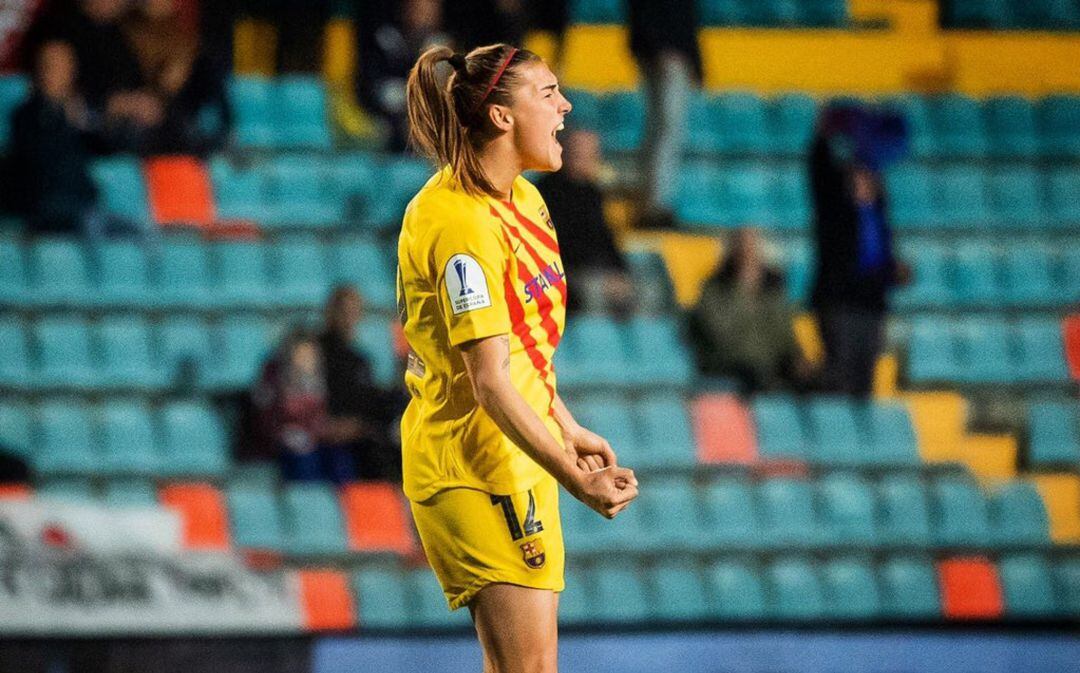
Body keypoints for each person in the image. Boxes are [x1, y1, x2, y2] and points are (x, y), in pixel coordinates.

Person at [399, 44, 638, 672]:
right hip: (472, 466)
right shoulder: (458, 223)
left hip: (520, 455)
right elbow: (489, 382)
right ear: (502, 116)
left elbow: (524, 347)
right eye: (549, 93)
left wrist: (566, 424)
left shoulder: (525, 199)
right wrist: (575, 478)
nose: (566, 106)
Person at [810, 103, 909, 397]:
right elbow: (818, 168)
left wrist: (894, 271)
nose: (864, 178)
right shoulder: (834, 203)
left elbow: (877, 254)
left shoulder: (878, 208)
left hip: (872, 305)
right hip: (839, 304)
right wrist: (823, 133)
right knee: (839, 380)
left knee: (864, 386)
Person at [7, 39, 141, 237]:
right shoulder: (26, 115)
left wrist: (109, 120)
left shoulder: (80, 111)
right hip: (49, 207)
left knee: (139, 233)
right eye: (48, 65)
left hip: (84, 205)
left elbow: (108, 147)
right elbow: (40, 160)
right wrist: (65, 120)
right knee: (92, 228)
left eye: (63, 65)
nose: (54, 72)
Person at [689, 228, 815, 394]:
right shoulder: (714, 289)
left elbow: (785, 334)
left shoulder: (772, 291)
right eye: (743, 249)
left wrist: (797, 357)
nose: (749, 255)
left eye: (753, 249)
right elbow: (721, 334)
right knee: (751, 375)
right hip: (728, 364)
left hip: (769, 365)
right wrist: (741, 288)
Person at [537, 128, 635, 316]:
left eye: (591, 155)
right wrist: (604, 277)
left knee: (646, 290)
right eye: (579, 154)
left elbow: (606, 238)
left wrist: (619, 272)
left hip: (598, 271)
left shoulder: (593, 192)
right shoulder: (545, 191)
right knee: (594, 293)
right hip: (563, 272)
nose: (586, 160)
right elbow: (556, 244)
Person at [318, 284, 405, 482]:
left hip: (363, 431)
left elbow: (370, 398)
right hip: (329, 434)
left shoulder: (360, 360)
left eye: (354, 311)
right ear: (331, 312)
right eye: (344, 311)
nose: (349, 317)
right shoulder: (316, 352)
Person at [627, 0, 702, 229]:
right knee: (667, 129)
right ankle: (657, 205)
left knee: (659, 128)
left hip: (663, 48)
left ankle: (653, 203)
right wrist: (659, 45)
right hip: (667, 50)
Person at [252, 328, 355, 484]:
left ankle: (348, 497)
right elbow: (266, 418)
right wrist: (285, 435)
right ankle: (308, 498)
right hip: (286, 444)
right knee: (305, 461)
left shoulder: (323, 380)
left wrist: (328, 430)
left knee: (341, 459)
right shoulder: (274, 379)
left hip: (319, 439)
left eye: (310, 354)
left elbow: (325, 416)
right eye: (301, 354)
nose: (306, 359)